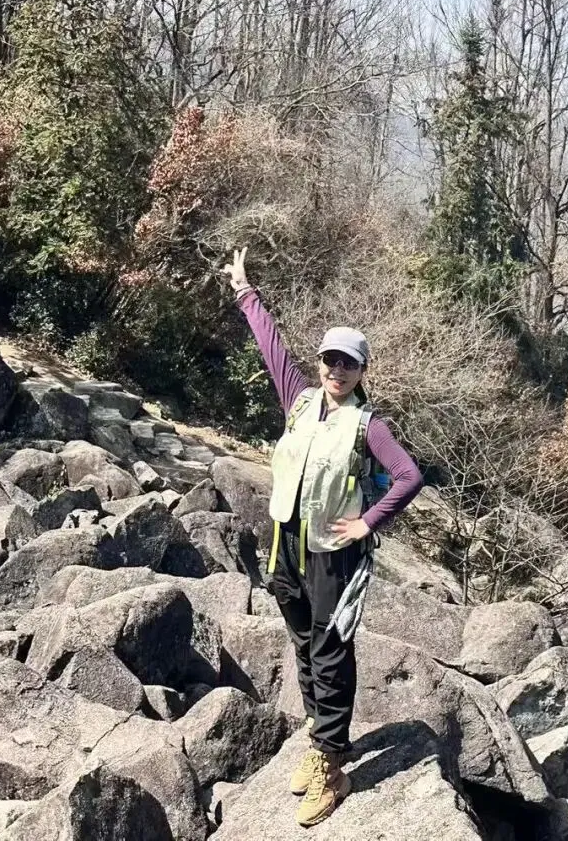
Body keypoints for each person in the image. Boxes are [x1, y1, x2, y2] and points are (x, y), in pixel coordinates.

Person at [223, 246, 424, 827]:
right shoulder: (302, 403)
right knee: (303, 644)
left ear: (362, 371)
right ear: (320, 364)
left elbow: (409, 476)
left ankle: (333, 767)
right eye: (330, 360)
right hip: (288, 541)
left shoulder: (368, 425)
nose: (337, 370)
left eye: (348, 364)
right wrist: (245, 293)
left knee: (330, 651)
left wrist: (367, 522)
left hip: (335, 553)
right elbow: (272, 350)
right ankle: (321, 740)